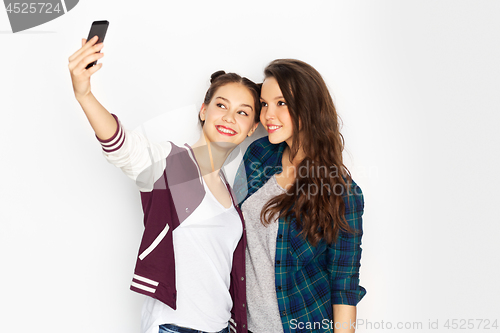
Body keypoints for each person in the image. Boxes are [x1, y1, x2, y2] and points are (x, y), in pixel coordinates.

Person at [68, 36, 261, 333]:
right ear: (203, 110)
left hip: (222, 327)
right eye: (221, 105)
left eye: (243, 112)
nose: (229, 117)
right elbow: (123, 147)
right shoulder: (171, 164)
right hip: (174, 327)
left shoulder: (230, 189)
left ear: (251, 130)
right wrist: (84, 94)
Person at [234, 59, 366, 333]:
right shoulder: (258, 155)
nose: (268, 115)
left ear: (309, 108)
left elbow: (344, 285)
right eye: (265, 104)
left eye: (281, 103)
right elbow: (230, 226)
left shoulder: (342, 192)